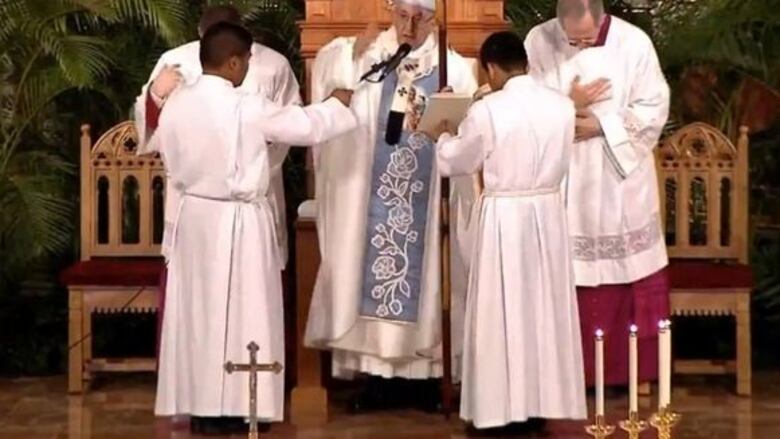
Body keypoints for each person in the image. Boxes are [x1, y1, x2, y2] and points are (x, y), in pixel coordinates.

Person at [150, 22, 357, 435]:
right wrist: (337, 103)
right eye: (245, 60)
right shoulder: (245, 105)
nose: (246, 68)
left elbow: (155, 138)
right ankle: (244, 407)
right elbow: (304, 127)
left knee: (199, 316)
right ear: (232, 62)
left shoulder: (176, 104)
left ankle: (204, 408)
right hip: (240, 221)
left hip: (194, 220)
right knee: (246, 309)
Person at [305, 0, 478, 410]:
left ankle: (425, 377)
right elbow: (330, 99)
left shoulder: (454, 68)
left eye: (421, 17)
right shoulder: (361, 56)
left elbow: (469, 135)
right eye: (403, 16)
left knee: (429, 279)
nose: (410, 26)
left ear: (435, 20)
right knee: (362, 270)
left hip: (426, 203)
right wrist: (353, 55)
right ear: (390, 12)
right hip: (365, 197)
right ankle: (373, 377)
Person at [428, 31, 586, 431]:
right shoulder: (561, 106)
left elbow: (456, 161)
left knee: (502, 311)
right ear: (526, 63)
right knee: (540, 311)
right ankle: (538, 406)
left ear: (491, 69)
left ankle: (499, 412)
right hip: (547, 215)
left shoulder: (489, 110)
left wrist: (441, 136)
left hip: (505, 216)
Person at [133, 5, 301, 358]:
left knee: (252, 294)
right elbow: (152, 133)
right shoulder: (174, 63)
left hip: (253, 200)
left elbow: (292, 122)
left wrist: (252, 166)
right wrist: (154, 96)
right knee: (197, 296)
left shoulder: (272, 65)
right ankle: (195, 382)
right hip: (195, 205)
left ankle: (255, 387)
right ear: (200, 35)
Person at [525, 0, 671, 388]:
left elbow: (654, 107)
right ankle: (563, 376)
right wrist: (567, 108)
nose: (582, 46)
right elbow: (523, 105)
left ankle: (632, 373)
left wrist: (603, 125)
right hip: (563, 175)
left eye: (588, 38)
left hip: (615, 177)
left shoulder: (634, 44)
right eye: (574, 40)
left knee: (625, 270)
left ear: (602, 17)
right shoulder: (538, 42)